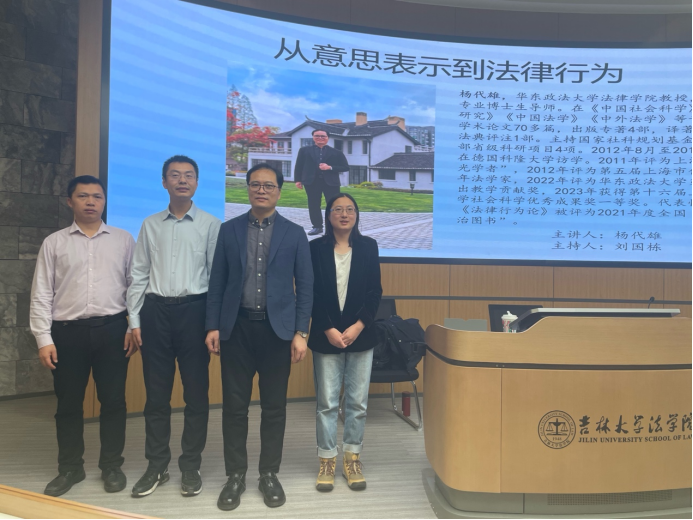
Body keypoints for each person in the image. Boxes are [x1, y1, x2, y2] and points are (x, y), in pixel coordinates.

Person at [205, 163, 313, 511]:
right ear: (248, 189)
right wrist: (212, 325)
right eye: (255, 184)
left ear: (279, 191)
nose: (261, 190)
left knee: (274, 408)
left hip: (277, 332)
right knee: (234, 408)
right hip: (236, 329)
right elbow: (217, 282)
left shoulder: (295, 233)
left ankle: (268, 473)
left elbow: (305, 286)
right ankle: (235, 475)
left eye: (268, 185)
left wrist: (301, 332)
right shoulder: (229, 230)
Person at [30, 175, 137, 498]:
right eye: (83, 196)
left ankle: (111, 466)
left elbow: (135, 287)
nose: (91, 202)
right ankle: (70, 468)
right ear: (70, 201)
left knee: (114, 402)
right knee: (68, 404)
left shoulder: (123, 240)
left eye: (97, 196)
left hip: (113, 332)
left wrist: (133, 326)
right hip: (67, 334)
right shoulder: (54, 243)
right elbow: (41, 292)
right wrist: (43, 338)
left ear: (104, 201)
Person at [127, 155, 221, 499]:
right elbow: (139, 273)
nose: (182, 180)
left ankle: (190, 465)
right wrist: (134, 319)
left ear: (196, 182)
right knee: (156, 396)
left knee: (196, 394)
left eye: (189, 175)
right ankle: (157, 465)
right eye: (175, 175)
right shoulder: (150, 224)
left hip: (195, 313)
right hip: (155, 314)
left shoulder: (211, 224)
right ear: (164, 182)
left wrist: (213, 324)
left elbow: (216, 279)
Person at [308, 193, 382, 492]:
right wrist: (327, 328)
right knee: (326, 403)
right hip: (325, 336)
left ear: (356, 215)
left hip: (360, 335)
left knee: (357, 403)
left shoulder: (368, 246)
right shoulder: (315, 248)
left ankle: (352, 459)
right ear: (328, 215)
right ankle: (327, 460)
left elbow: (375, 292)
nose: (344, 214)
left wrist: (359, 326)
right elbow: (310, 292)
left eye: (350, 209)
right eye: (337, 209)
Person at [294, 129, 349, 236]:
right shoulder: (304, 150)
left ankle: (333, 227)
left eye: (323, 136)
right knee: (313, 204)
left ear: (328, 138)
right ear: (313, 137)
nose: (320, 138)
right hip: (311, 182)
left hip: (331, 183)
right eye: (317, 136)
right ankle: (317, 226)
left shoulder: (336, 152)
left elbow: (345, 167)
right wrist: (298, 180)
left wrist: (330, 167)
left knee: (333, 205)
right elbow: (299, 165)